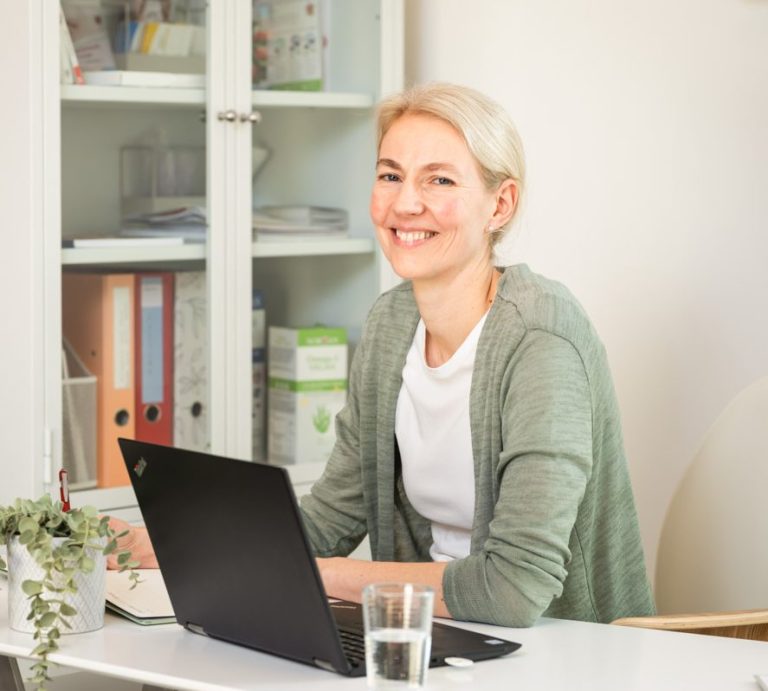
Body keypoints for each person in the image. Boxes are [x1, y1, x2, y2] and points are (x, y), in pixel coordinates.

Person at [110, 82, 655, 628]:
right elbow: (331, 517)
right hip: (430, 634)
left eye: (439, 179)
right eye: (390, 175)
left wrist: (313, 574)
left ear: (500, 203)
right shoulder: (391, 324)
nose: (405, 203)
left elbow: (512, 589)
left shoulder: (542, 339)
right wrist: (177, 541)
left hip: (563, 650)